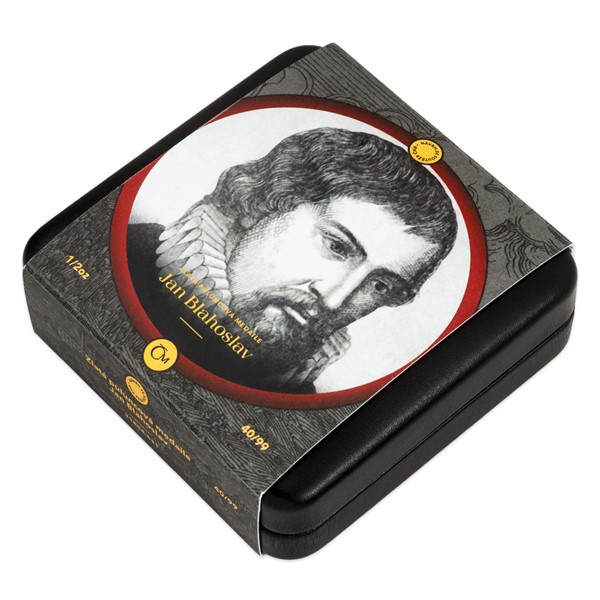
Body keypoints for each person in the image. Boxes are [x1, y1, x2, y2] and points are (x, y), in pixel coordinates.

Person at [128, 127, 457, 393]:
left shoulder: (299, 399)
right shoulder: (131, 255)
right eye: (336, 247)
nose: (333, 299)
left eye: (380, 286)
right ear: (266, 202)